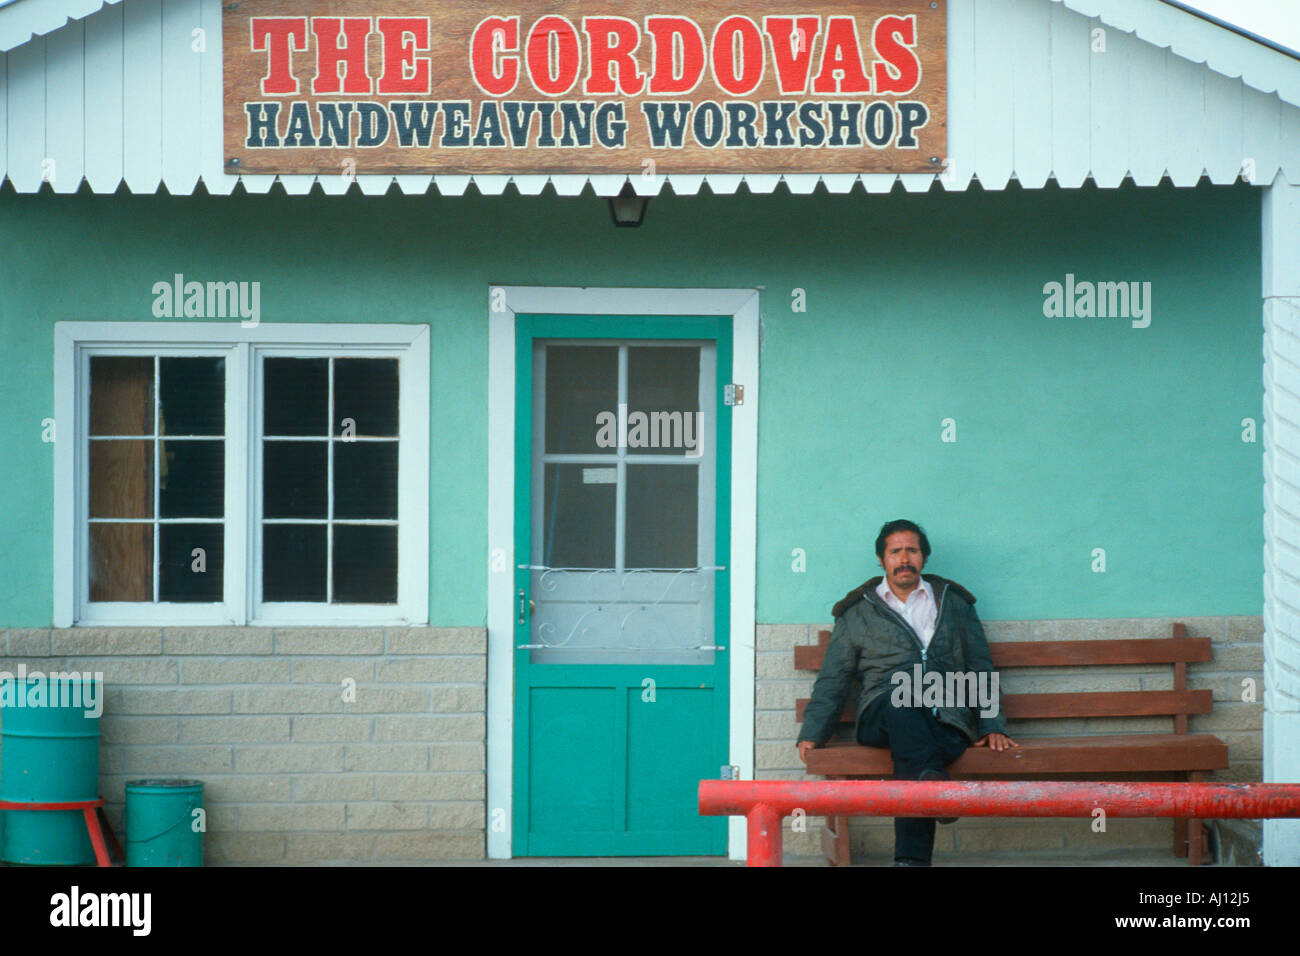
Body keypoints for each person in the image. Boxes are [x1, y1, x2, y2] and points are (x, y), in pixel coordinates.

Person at [797, 519, 1018, 866]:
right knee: (902, 698)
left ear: (924, 557)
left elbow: (980, 666)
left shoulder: (955, 604)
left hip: (944, 717)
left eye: (911, 550)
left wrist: (992, 724)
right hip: (881, 713)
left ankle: (924, 810)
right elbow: (833, 678)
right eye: (895, 551)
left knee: (917, 758)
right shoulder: (857, 612)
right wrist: (813, 731)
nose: (904, 558)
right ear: (882, 560)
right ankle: (930, 801)